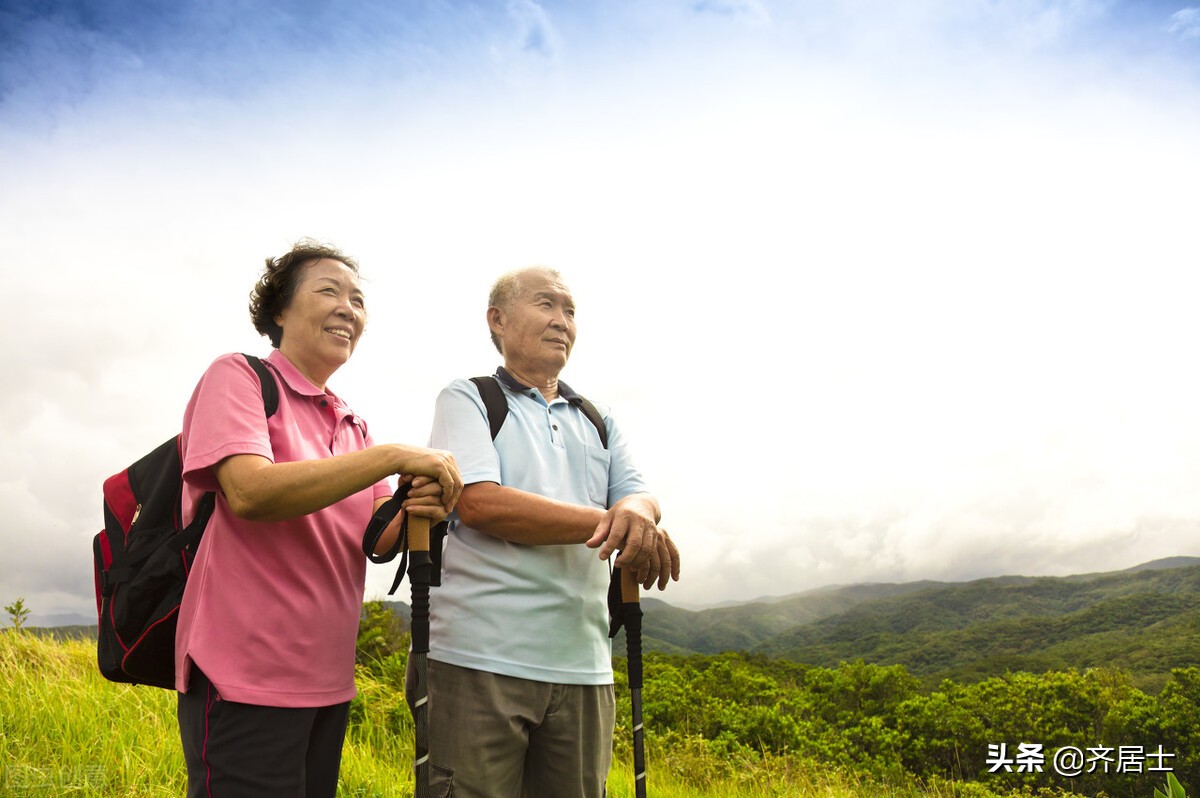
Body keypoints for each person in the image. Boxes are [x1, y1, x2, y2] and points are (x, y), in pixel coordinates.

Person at [174, 240, 463, 798]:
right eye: (328, 291)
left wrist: (421, 501)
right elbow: (249, 491)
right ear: (279, 311)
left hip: (326, 682)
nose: (348, 308)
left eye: (357, 300)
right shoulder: (240, 377)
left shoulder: (351, 424)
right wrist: (393, 457)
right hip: (244, 676)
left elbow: (378, 539)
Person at [418, 265, 680, 797]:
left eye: (570, 310)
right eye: (546, 304)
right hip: (477, 659)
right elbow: (480, 502)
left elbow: (639, 494)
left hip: (584, 666)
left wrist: (638, 515)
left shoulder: (597, 416)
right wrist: (619, 523)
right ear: (498, 319)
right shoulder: (468, 397)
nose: (562, 320)